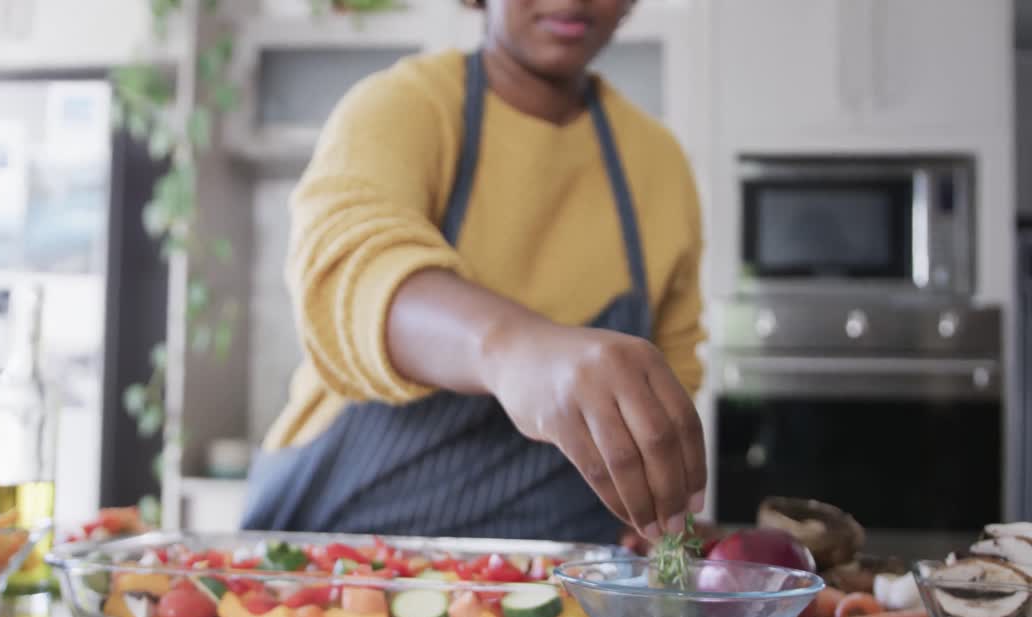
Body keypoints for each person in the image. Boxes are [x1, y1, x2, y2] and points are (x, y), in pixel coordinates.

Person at [241, 0, 707, 544]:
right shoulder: (405, 107)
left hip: (563, 589)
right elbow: (350, 269)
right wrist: (516, 351)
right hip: (341, 564)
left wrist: (660, 511)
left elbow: (672, 375)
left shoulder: (658, 163)